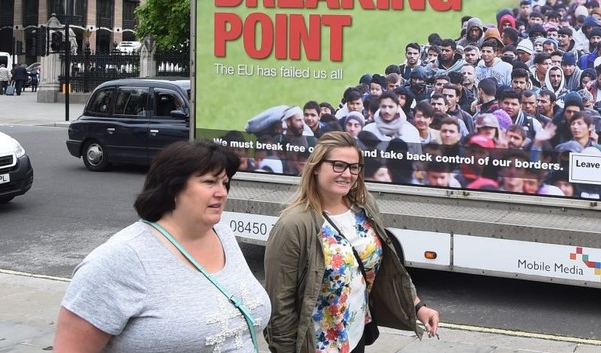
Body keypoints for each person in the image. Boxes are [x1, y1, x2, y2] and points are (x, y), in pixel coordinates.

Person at [54, 140, 270, 352]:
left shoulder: (223, 233)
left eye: (224, 183)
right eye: (209, 182)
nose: (222, 192)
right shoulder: (121, 259)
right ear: (173, 187)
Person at [263, 132, 439, 353]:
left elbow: (388, 269)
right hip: (317, 346)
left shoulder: (364, 206)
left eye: (354, 167)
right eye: (338, 165)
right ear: (316, 167)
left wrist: (418, 307)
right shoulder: (293, 225)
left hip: (355, 336)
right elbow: (280, 304)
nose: (347, 174)